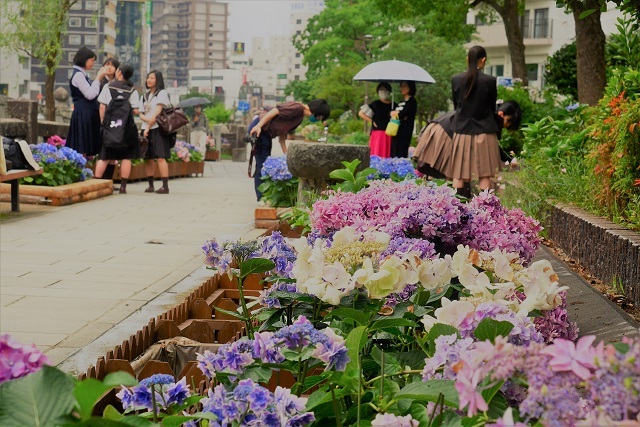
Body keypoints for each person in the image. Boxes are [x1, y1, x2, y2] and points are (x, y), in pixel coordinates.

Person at [413, 100, 522, 187]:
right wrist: (510, 160)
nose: (504, 127)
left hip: (441, 127)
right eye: (507, 122)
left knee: (446, 177)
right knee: (450, 177)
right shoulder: (488, 115)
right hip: (446, 133)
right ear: (501, 114)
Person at [248, 99, 330, 201]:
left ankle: (264, 197)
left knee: (264, 163)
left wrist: (286, 154)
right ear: (317, 111)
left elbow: (283, 132)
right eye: (320, 117)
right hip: (260, 129)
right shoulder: (297, 108)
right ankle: (261, 198)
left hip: (266, 133)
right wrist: (258, 126)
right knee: (262, 165)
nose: (318, 119)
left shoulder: (299, 118)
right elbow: (275, 111)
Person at [449, 45, 501, 197]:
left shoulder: (456, 79)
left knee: (458, 174)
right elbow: (492, 107)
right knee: (485, 175)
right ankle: (485, 211)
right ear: (483, 60)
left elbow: (456, 106)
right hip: (485, 132)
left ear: (467, 59)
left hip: (462, 131)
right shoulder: (490, 81)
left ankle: (457, 209)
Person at [94, 64, 140, 194]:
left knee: (104, 157)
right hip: (126, 129)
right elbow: (136, 110)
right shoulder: (132, 90)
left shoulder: (109, 87)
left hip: (109, 128)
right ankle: (123, 187)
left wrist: (104, 123)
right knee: (126, 157)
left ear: (119, 72)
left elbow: (102, 107)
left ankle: (97, 183)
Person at [66, 46, 107, 156]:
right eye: (91, 60)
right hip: (84, 113)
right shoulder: (78, 75)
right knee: (82, 146)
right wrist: (98, 78)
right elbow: (90, 94)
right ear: (84, 59)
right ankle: (82, 171)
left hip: (87, 113)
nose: (92, 63)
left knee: (85, 145)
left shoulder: (82, 74)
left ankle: (85, 170)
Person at [139, 70, 172, 194]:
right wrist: (146, 121)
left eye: (152, 78)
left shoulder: (162, 93)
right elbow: (141, 113)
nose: (149, 80)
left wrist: (147, 126)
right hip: (146, 127)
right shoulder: (144, 95)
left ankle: (165, 186)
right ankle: (150, 185)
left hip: (158, 129)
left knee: (161, 157)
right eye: (148, 78)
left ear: (158, 80)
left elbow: (157, 113)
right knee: (148, 158)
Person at [358, 82, 396, 157]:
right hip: (377, 133)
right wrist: (371, 121)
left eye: (386, 89)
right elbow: (361, 113)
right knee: (376, 154)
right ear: (378, 91)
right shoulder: (375, 104)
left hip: (390, 133)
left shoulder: (394, 105)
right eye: (381, 89)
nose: (383, 91)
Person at [99, 57, 121, 181]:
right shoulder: (100, 82)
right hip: (103, 120)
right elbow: (100, 104)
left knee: (112, 154)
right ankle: (100, 180)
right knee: (105, 153)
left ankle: (109, 180)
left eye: (112, 65)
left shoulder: (119, 84)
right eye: (107, 64)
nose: (109, 67)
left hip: (115, 122)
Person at [390, 80, 417, 158]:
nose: (402, 88)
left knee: (401, 150)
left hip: (405, 131)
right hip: (396, 129)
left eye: (405, 86)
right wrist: (395, 113)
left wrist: (396, 114)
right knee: (394, 150)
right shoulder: (401, 102)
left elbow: (403, 114)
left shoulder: (412, 101)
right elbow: (393, 114)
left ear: (410, 87)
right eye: (401, 86)